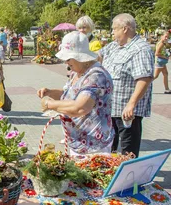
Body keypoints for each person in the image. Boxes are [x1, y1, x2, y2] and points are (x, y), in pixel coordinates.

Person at [38, 31, 114, 156]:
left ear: (80, 57)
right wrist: (50, 92)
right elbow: (69, 94)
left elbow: (80, 108)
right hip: (78, 142)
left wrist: (50, 105)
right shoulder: (76, 72)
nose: (66, 62)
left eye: (68, 59)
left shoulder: (96, 76)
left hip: (94, 144)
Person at [99, 13, 154, 157]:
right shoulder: (114, 46)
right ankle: (111, 176)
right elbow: (97, 56)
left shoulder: (140, 49)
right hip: (109, 108)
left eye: (114, 29)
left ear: (124, 29)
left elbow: (144, 79)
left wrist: (131, 104)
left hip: (126, 112)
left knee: (127, 152)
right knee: (107, 150)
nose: (112, 33)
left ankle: (128, 177)